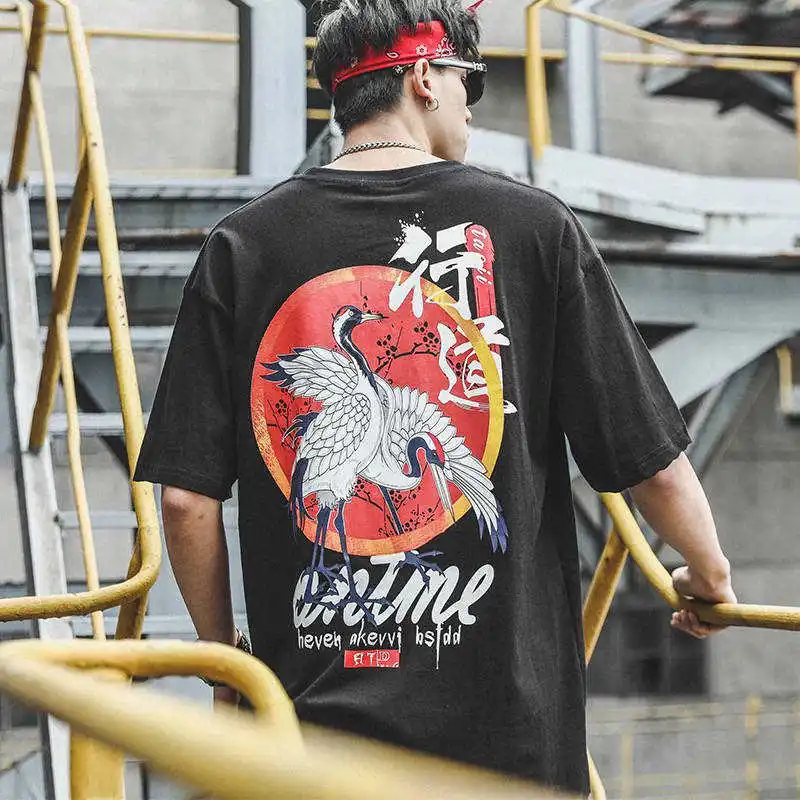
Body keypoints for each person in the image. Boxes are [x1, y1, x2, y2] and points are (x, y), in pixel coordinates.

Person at [134, 0, 736, 795]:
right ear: (423, 77)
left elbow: (185, 501)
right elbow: (647, 461)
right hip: (507, 749)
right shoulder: (534, 228)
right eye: (467, 83)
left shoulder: (241, 245)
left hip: (311, 748)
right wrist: (709, 575)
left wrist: (225, 662)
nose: (470, 107)